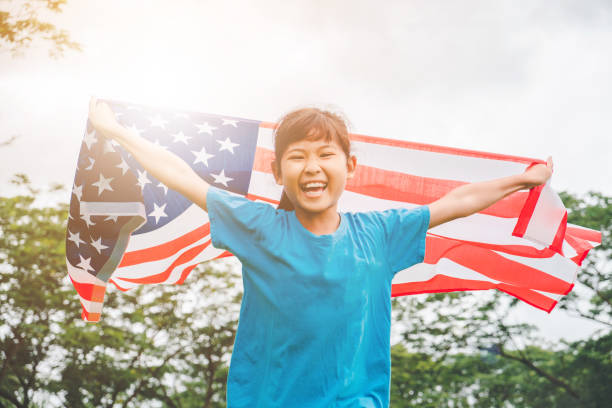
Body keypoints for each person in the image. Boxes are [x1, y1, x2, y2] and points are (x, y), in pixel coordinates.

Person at [88, 98, 553, 407]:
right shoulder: (258, 227)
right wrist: (115, 131)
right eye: (297, 156)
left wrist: (522, 180)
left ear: (349, 167)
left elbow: (454, 202)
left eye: (325, 154)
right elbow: (181, 174)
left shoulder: (381, 232)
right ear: (277, 170)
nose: (312, 167)